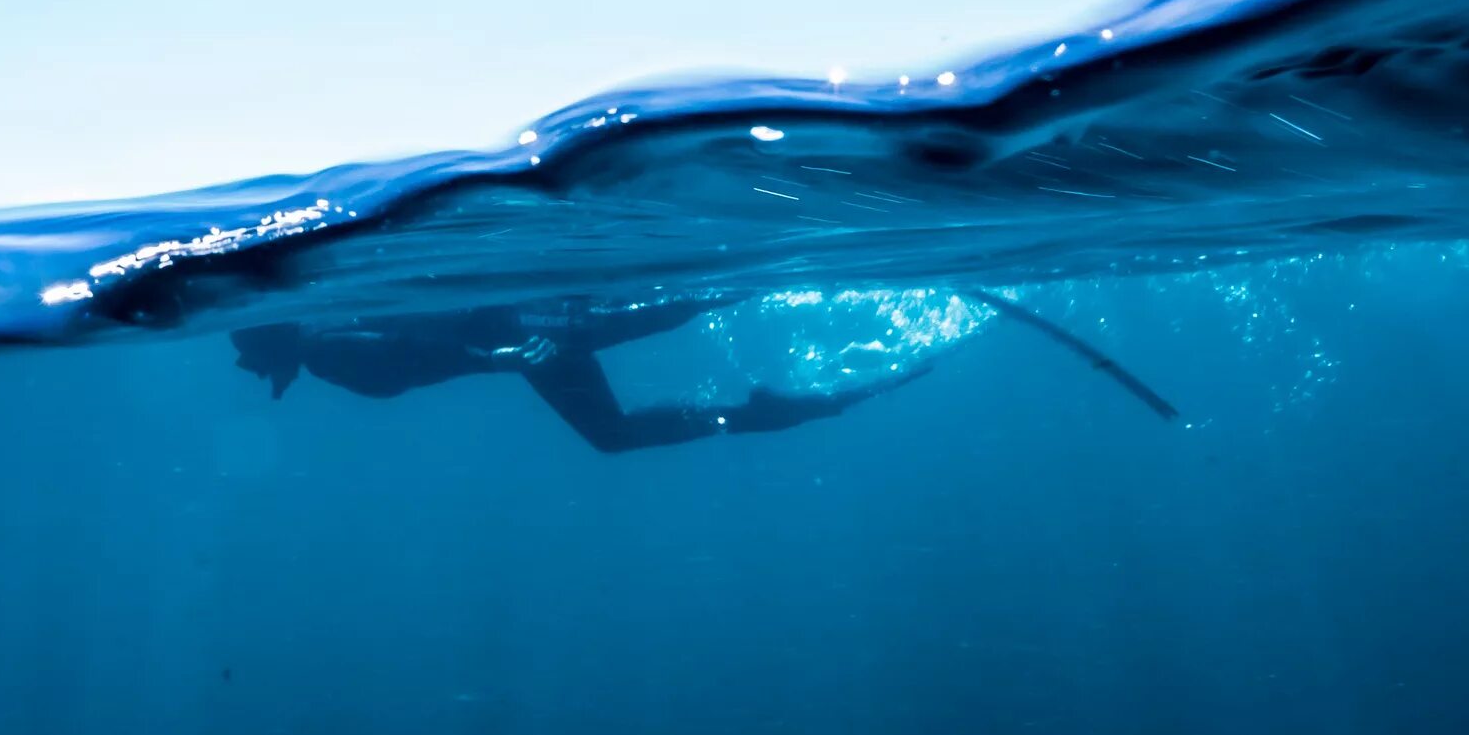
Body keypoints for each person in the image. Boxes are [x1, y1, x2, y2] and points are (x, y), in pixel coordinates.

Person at [230, 289, 1175, 454]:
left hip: (537, 335)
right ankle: (761, 415)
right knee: (609, 433)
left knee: (690, 303)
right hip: (536, 346)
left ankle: (765, 411)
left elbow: (447, 338)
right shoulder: (334, 355)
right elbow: (442, 349)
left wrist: (508, 347)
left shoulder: (335, 348)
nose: (255, 365)